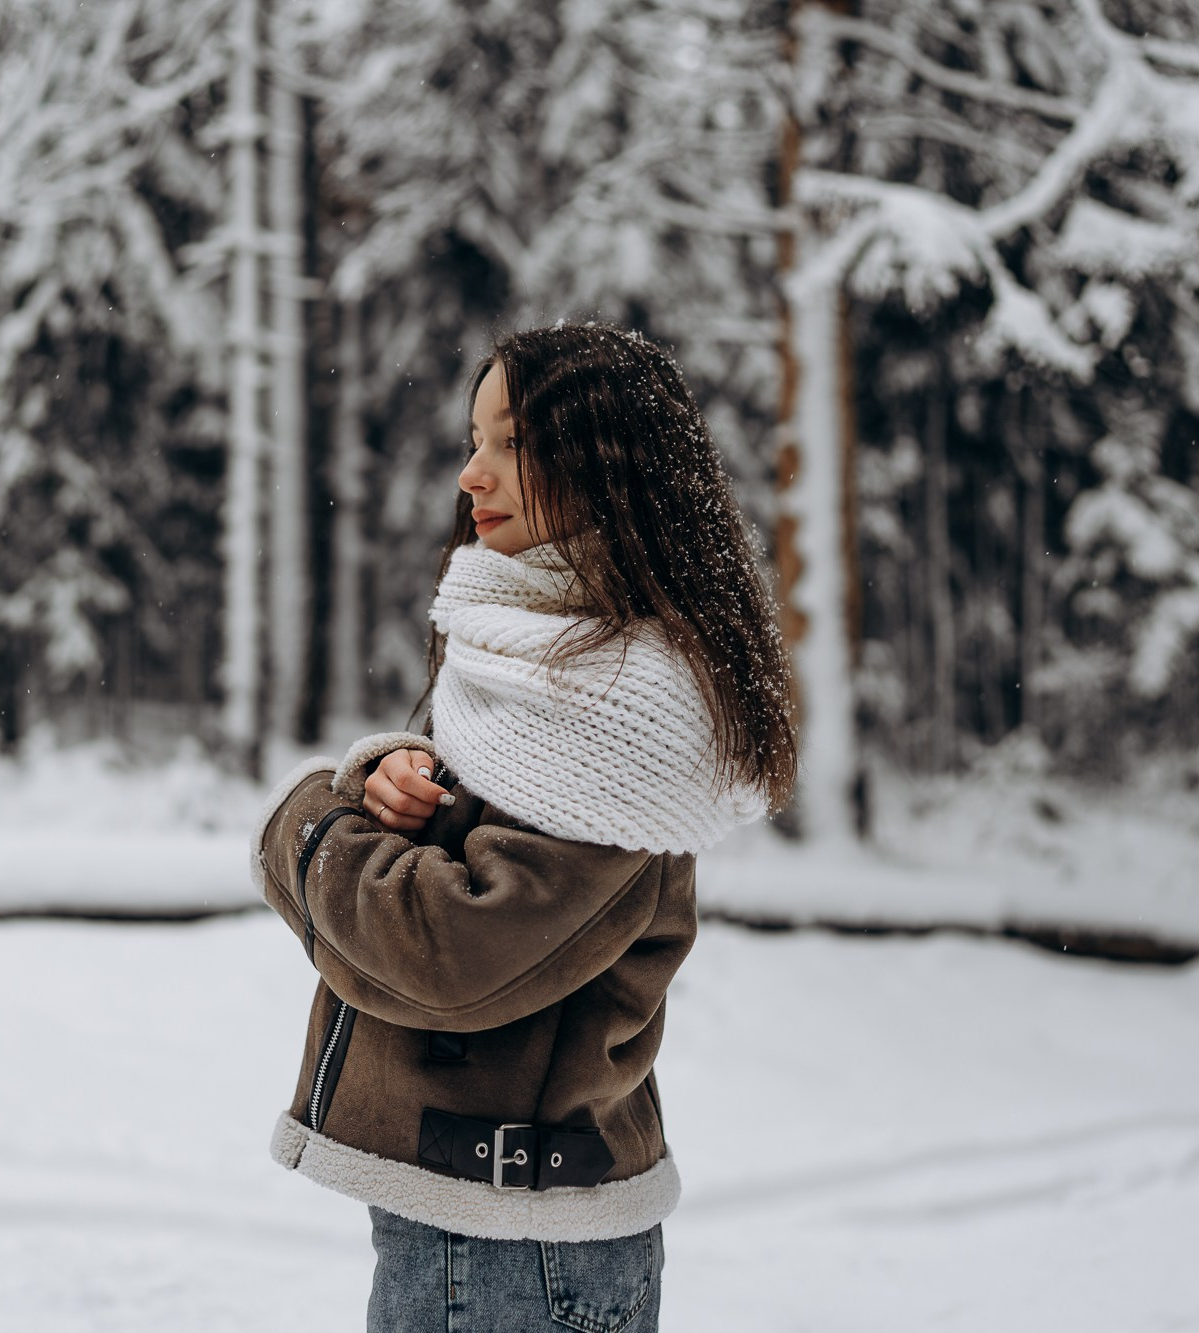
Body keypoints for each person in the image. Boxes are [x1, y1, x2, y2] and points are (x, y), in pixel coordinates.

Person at [250, 322, 798, 1332]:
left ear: (602, 460)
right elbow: (496, 838)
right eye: (472, 438)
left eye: (509, 442)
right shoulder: (542, 649)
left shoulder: (616, 697)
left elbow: (450, 949)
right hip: (501, 1226)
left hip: (508, 1243)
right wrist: (392, 775)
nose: (471, 473)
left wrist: (311, 820)